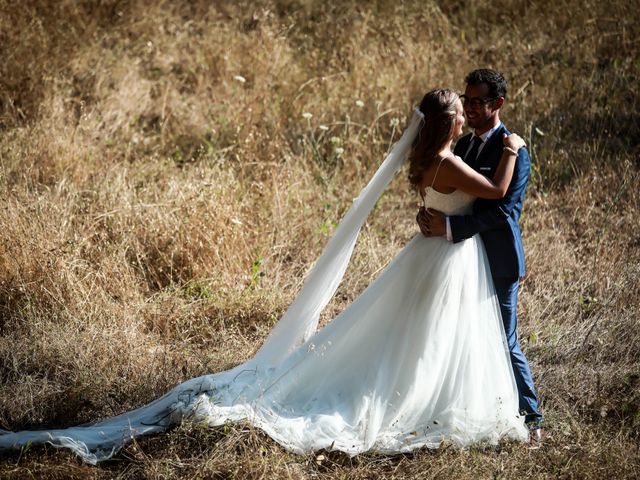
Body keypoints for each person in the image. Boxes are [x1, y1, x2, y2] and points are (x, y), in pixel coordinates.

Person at [0, 88, 531, 464]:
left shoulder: (431, 157)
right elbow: (496, 192)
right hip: (443, 259)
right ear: (448, 124)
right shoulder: (452, 159)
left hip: (436, 253)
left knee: (421, 334)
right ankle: (427, 401)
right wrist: (512, 149)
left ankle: (430, 394)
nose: (466, 119)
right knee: (428, 336)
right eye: (461, 113)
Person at [417, 69, 544, 443]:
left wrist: (450, 228)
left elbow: (503, 211)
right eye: (466, 100)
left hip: (498, 259)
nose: (469, 108)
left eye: (477, 102)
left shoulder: (514, 149)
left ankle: (533, 419)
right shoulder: (466, 146)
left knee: (504, 340)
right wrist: (431, 212)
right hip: (461, 263)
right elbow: (454, 191)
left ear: (497, 104)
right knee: (458, 337)